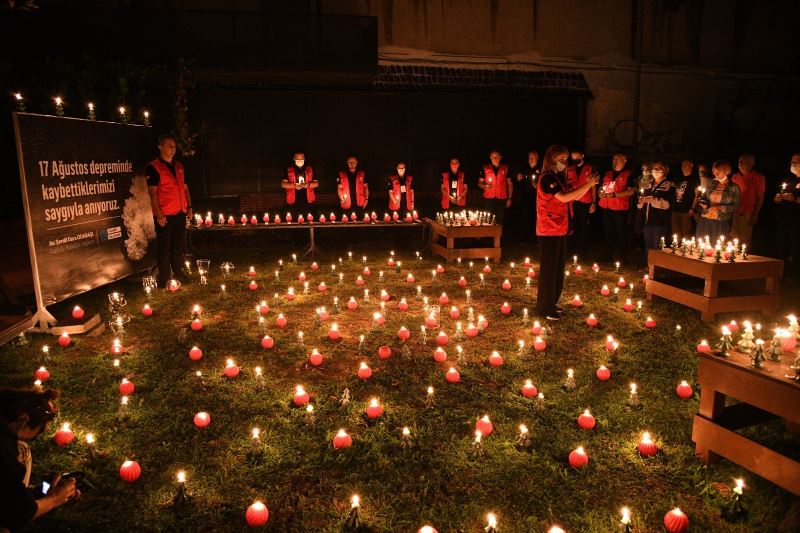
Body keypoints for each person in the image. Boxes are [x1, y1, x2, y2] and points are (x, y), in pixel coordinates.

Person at [1, 387, 80, 531]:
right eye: (22, 437)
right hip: (12, 513)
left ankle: (24, 494)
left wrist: (39, 493)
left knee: (21, 448)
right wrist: (54, 499)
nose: (18, 440)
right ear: (23, 420)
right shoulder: (3, 447)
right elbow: (19, 513)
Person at [536, 144, 599, 321]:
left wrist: (587, 187)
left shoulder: (558, 178)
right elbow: (563, 197)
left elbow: (573, 196)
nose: (565, 162)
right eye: (561, 159)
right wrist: (588, 184)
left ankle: (552, 303)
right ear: (551, 159)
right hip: (548, 228)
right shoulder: (547, 178)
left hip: (559, 228)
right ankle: (544, 307)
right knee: (549, 269)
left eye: (566, 159)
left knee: (558, 268)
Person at [146, 134, 192, 287]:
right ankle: (164, 278)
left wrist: (189, 207)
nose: (173, 147)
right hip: (164, 215)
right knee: (164, 248)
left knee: (178, 246)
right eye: (169, 145)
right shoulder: (153, 167)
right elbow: (152, 192)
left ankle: (179, 274)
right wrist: (158, 213)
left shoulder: (179, 166)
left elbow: (185, 188)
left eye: (174, 145)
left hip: (180, 213)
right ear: (160, 147)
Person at [597, 153, 634, 263]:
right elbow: (601, 187)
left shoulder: (629, 174)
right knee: (608, 233)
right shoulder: (608, 173)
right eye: (614, 159)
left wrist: (614, 195)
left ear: (625, 161)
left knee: (621, 233)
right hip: (607, 207)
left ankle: (622, 257)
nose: (615, 161)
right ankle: (607, 255)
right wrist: (600, 193)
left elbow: (631, 191)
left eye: (618, 159)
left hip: (620, 209)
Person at [695, 160, 741, 241]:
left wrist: (720, 208)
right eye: (714, 171)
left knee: (716, 244)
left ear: (727, 171)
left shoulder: (734, 188)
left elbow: (736, 206)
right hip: (705, 218)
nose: (716, 174)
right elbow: (703, 197)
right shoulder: (710, 184)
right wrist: (703, 202)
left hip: (720, 221)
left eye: (719, 171)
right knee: (701, 243)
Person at [637, 161, 675, 252]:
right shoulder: (648, 184)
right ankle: (649, 266)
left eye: (659, 168)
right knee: (648, 247)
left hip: (660, 222)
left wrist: (652, 199)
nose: (656, 170)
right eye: (654, 168)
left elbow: (668, 205)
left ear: (665, 171)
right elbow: (641, 203)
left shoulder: (669, 185)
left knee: (658, 248)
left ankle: (657, 266)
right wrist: (640, 201)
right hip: (647, 221)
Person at [773, 153, 800, 278]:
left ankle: (795, 275)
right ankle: (781, 275)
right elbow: (778, 196)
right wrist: (778, 199)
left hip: (797, 220)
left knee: (796, 247)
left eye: (797, 162)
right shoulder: (790, 179)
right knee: (782, 246)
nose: (793, 164)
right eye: (792, 162)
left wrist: (794, 199)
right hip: (785, 218)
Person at [566, 148, 596, 259]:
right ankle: (573, 250)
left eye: (577, 157)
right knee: (574, 226)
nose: (575, 159)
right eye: (573, 158)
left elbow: (593, 187)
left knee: (584, 227)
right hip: (573, 201)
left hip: (585, 201)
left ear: (582, 156)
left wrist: (593, 202)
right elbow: (567, 182)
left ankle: (583, 251)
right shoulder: (570, 168)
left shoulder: (589, 168)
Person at [730, 153, 765, 245]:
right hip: (735, 212)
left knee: (745, 238)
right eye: (739, 161)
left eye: (743, 161)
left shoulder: (758, 177)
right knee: (734, 236)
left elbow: (760, 197)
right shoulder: (735, 176)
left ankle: (744, 256)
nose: (740, 164)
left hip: (747, 213)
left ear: (751, 163)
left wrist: (755, 214)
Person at [477, 150, 512, 224]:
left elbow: (510, 184)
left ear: (500, 157)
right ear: (490, 157)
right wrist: (485, 186)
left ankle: (498, 235)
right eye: (493, 156)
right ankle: (487, 234)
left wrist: (509, 198)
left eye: (497, 156)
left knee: (500, 219)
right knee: (488, 218)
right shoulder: (485, 168)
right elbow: (479, 183)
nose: (495, 158)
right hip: (488, 198)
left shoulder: (505, 168)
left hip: (501, 198)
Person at [513, 150, 539, 246]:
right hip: (525, 199)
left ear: (537, 158)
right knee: (525, 219)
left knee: (536, 219)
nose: (531, 160)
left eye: (533, 158)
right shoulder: (524, 168)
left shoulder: (540, 169)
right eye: (529, 158)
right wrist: (518, 179)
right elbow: (517, 182)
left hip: (537, 199)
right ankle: (525, 240)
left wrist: (537, 185)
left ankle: (536, 240)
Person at [671, 159, 700, 239]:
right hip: (675, 209)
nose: (683, 166)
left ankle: (686, 249)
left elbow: (697, 195)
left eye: (686, 164)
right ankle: (676, 249)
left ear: (691, 165)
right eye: (682, 164)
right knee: (676, 233)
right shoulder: (678, 178)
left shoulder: (695, 179)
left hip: (686, 211)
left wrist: (692, 208)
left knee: (686, 232)